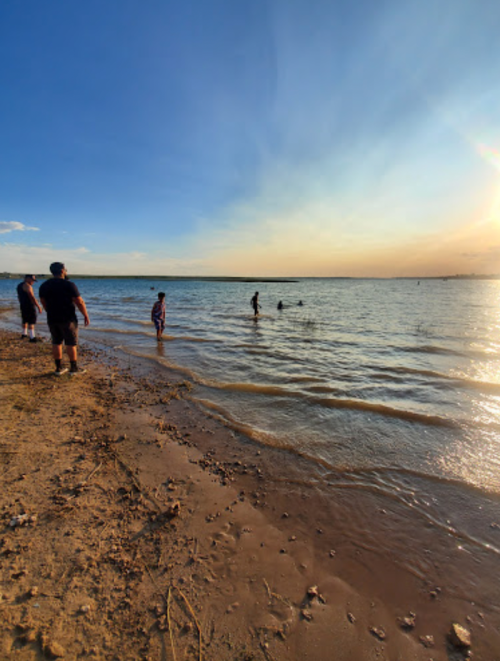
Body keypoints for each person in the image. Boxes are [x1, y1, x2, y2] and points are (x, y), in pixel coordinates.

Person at [39, 262, 90, 376]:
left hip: (52, 318)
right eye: (65, 269)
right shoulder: (69, 285)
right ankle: (73, 368)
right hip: (68, 318)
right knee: (71, 343)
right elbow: (79, 301)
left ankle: (58, 368)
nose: (66, 271)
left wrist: (49, 311)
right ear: (62, 271)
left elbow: (43, 301)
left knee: (56, 342)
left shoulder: (44, 285)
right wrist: (85, 315)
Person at [16, 274, 42, 342]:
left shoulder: (19, 285)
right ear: (27, 278)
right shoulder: (28, 286)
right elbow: (32, 297)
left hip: (23, 304)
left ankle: (24, 333)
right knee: (31, 320)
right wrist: (38, 306)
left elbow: (19, 296)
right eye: (32, 280)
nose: (32, 282)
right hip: (29, 305)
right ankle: (32, 337)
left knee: (25, 319)